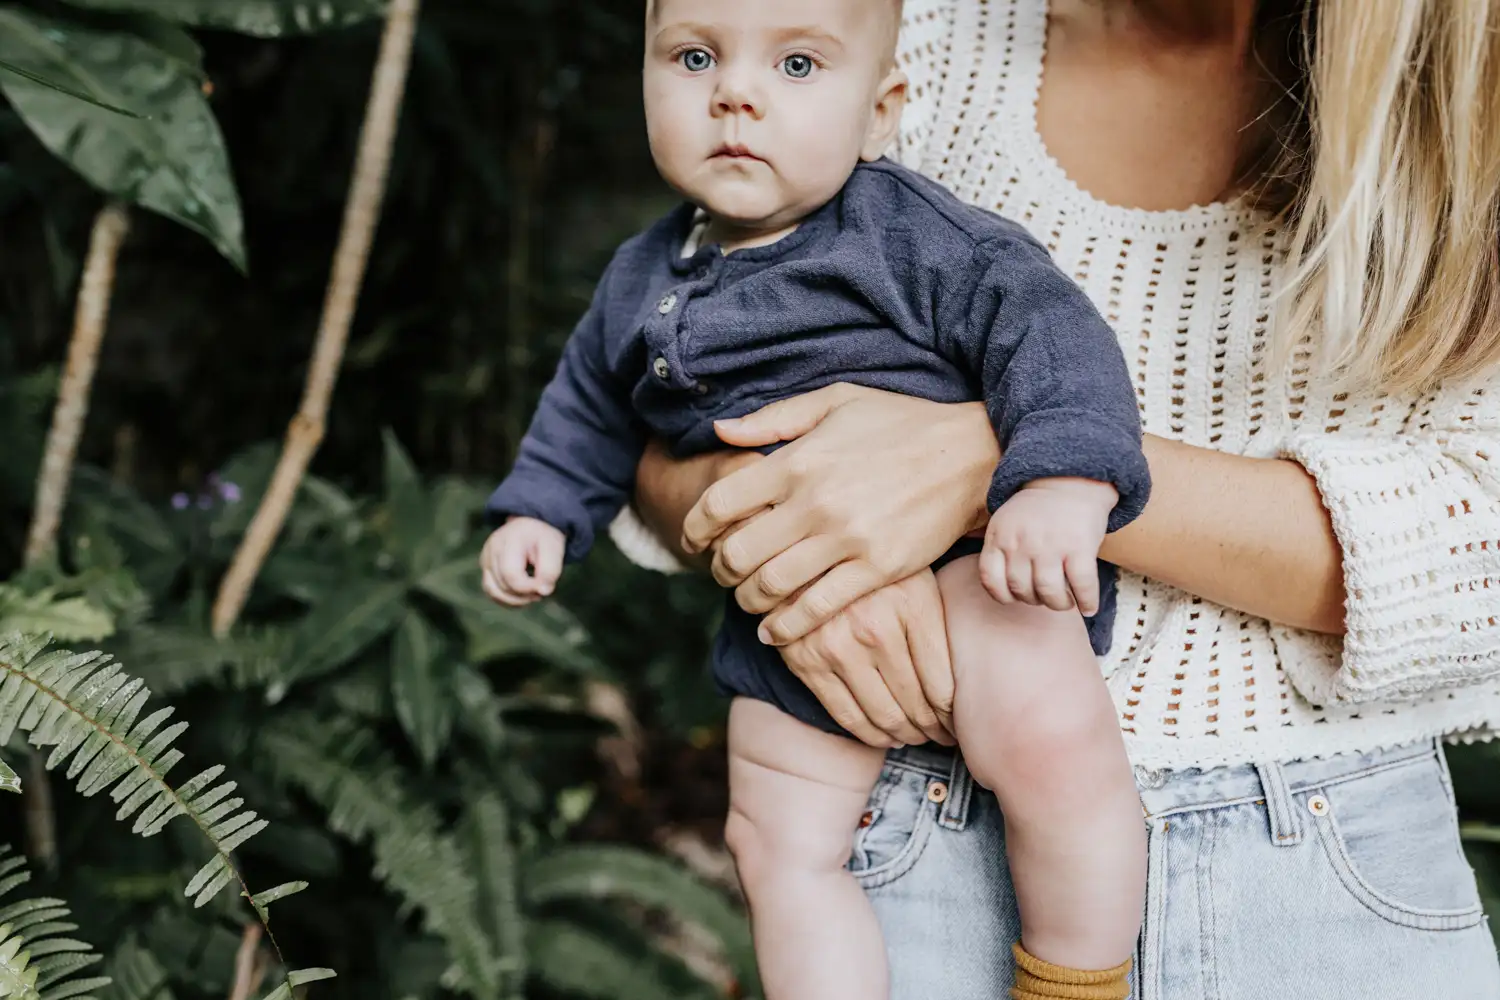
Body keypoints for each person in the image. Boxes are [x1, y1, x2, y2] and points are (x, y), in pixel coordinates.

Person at [610, 0, 1500, 997]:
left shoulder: (1464, 93)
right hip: (923, 831)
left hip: (1332, 884)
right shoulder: (902, 44)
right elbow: (658, 424)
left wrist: (1003, 468)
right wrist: (791, 525)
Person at [480, 0, 1155, 995]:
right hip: (788, 620)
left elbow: (1049, 333)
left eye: (796, 65)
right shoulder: (642, 275)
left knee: (1058, 758)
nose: (735, 94)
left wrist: (1062, 477)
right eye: (694, 57)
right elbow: (589, 401)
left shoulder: (911, 234)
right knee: (773, 841)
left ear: (879, 112)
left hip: (974, 573)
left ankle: (1075, 982)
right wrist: (541, 507)